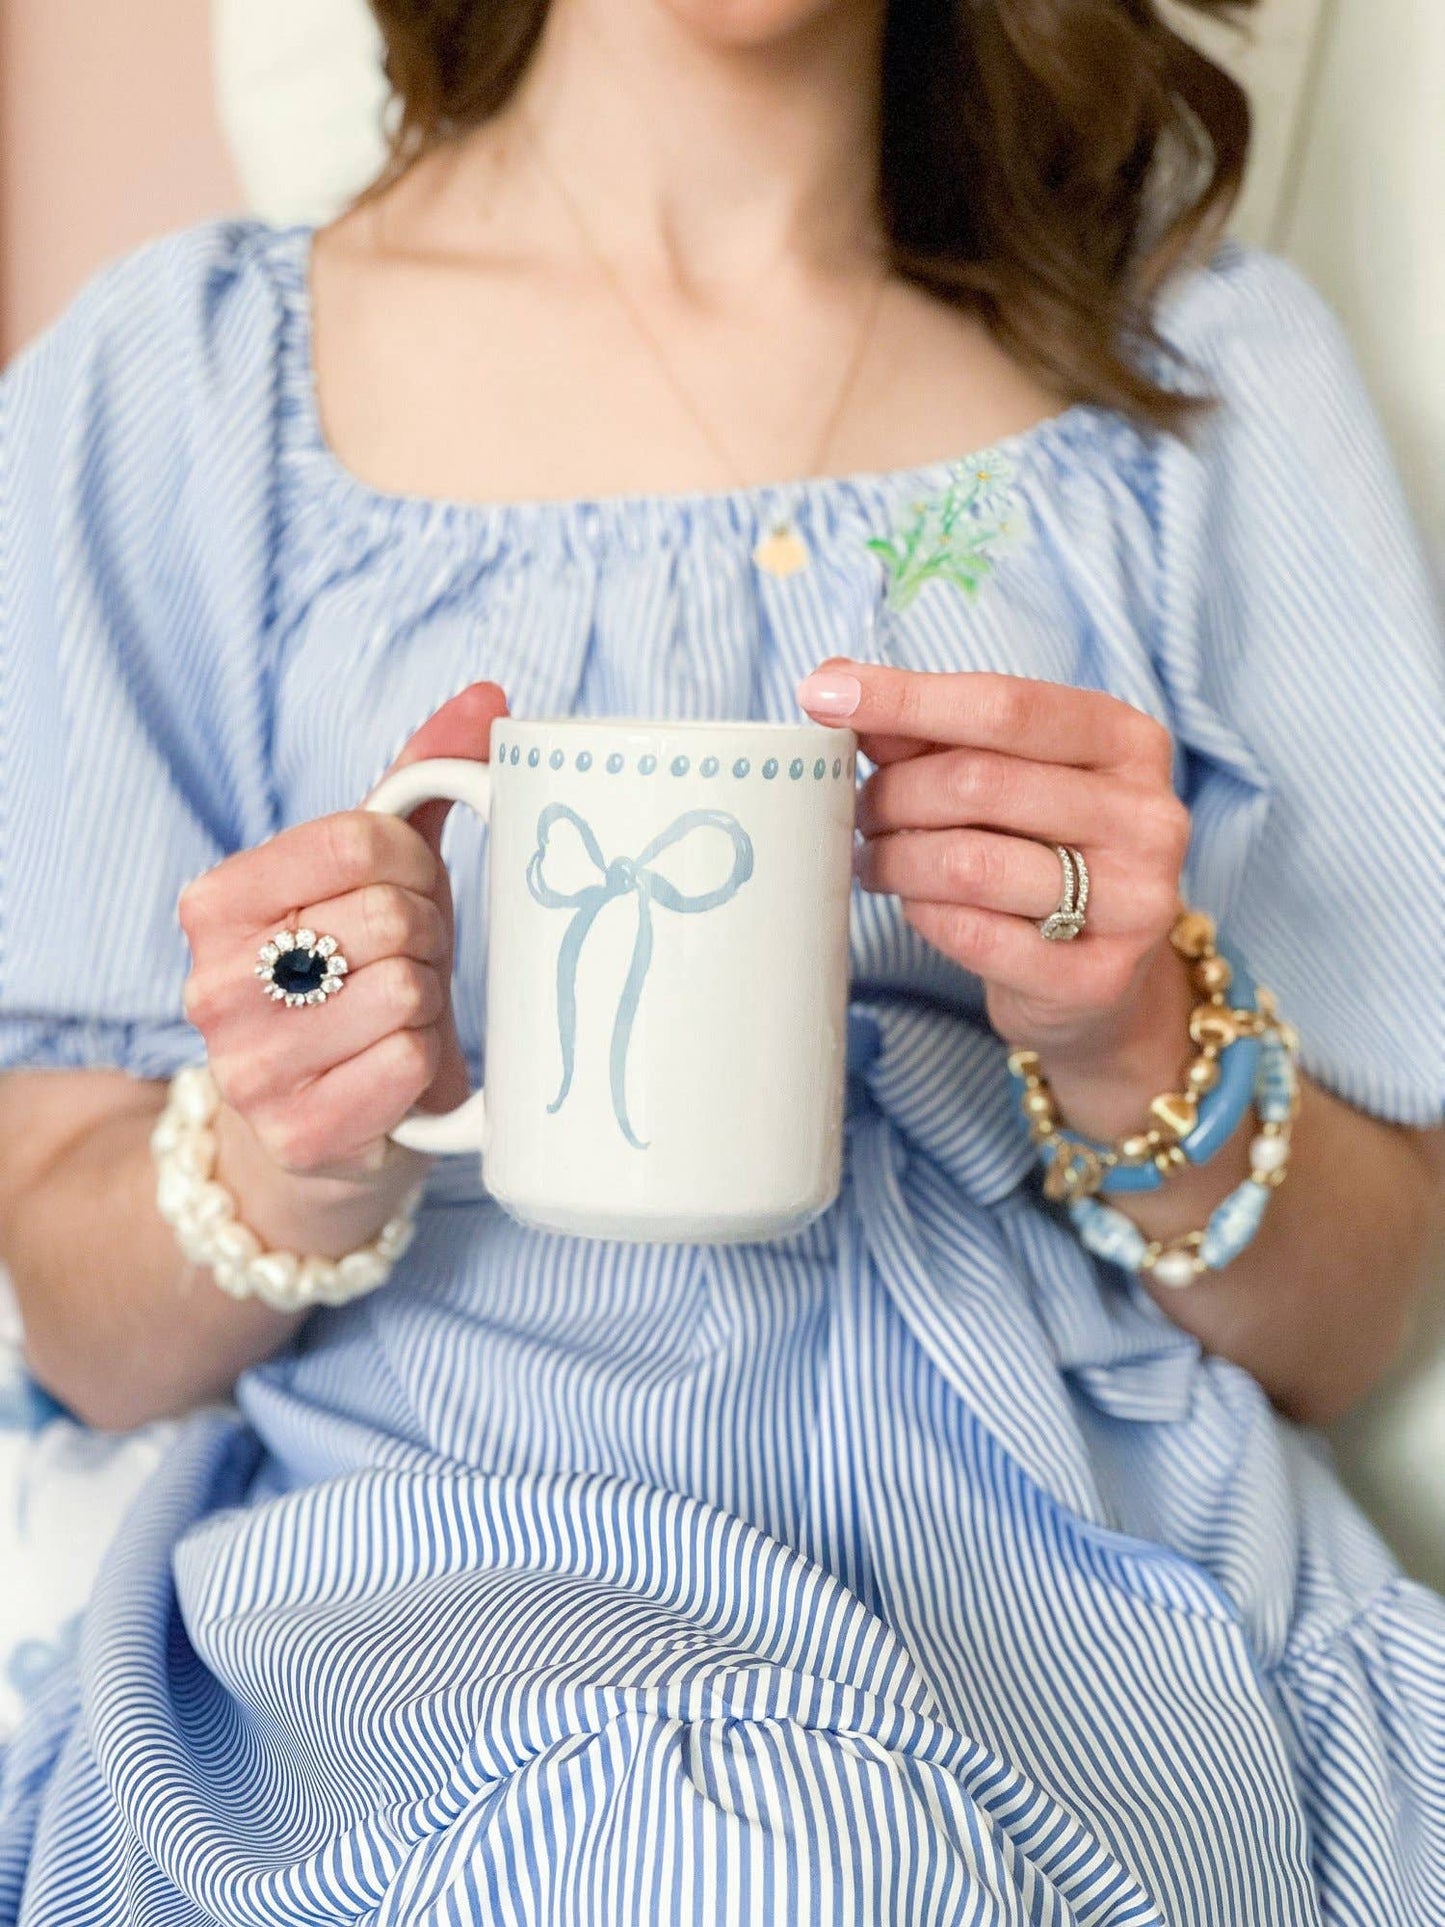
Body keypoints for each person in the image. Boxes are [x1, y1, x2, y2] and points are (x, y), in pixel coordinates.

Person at [0, 0, 1442, 1916]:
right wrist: (294, 1135)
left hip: (1094, 1598)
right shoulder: (177, 386)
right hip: (437, 1601)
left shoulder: (1201, 383)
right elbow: (81, 1326)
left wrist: (1129, 1024)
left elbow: (1354, 1328)